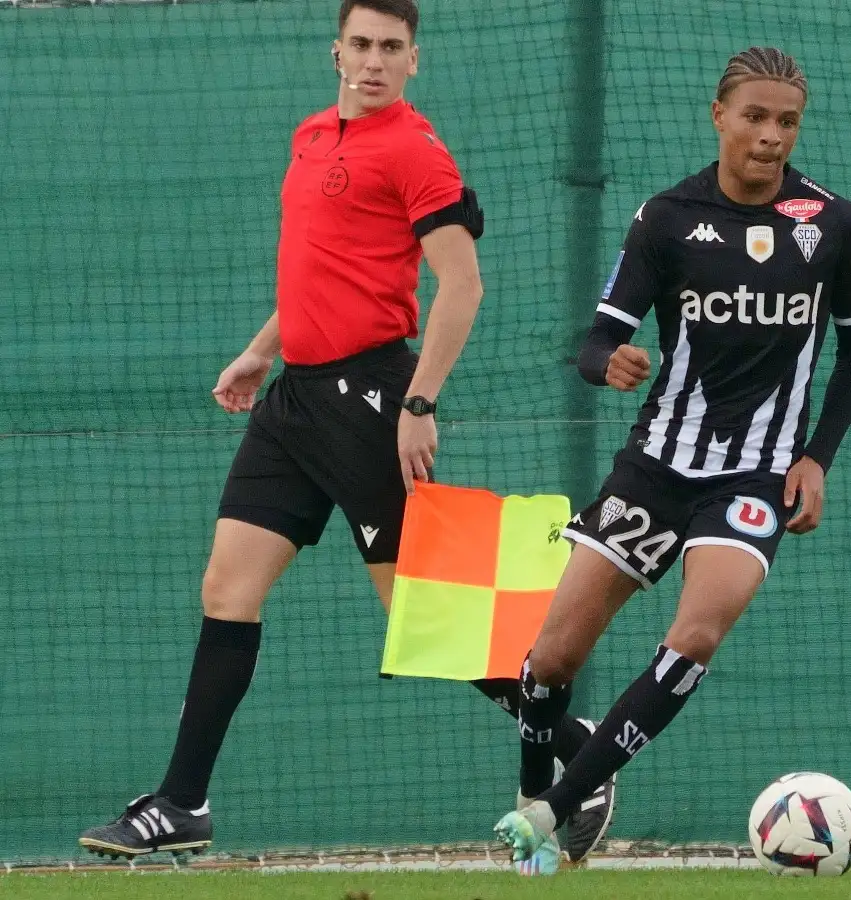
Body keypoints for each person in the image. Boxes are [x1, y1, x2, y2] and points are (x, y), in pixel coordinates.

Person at [77, 0, 609, 860]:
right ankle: (182, 804)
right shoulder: (311, 137)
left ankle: (577, 748)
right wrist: (259, 353)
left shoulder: (415, 150)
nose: (373, 60)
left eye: (391, 48)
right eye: (360, 44)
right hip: (293, 399)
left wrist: (419, 402)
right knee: (227, 588)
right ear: (336, 52)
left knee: (417, 613)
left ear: (413, 61)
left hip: (371, 394)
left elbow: (461, 286)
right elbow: (317, 271)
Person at [492, 46, 851, 875]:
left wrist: (817, 458)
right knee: (550, 660)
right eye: (755, 117)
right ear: (719, 115)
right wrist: (611, 363)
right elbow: (598, 341)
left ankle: (555, 813)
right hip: (657, 468)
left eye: (787, 122)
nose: (770, 136)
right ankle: (539, 793)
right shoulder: (665, 218)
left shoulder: (834, 224)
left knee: (697, 632)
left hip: (757, 478)